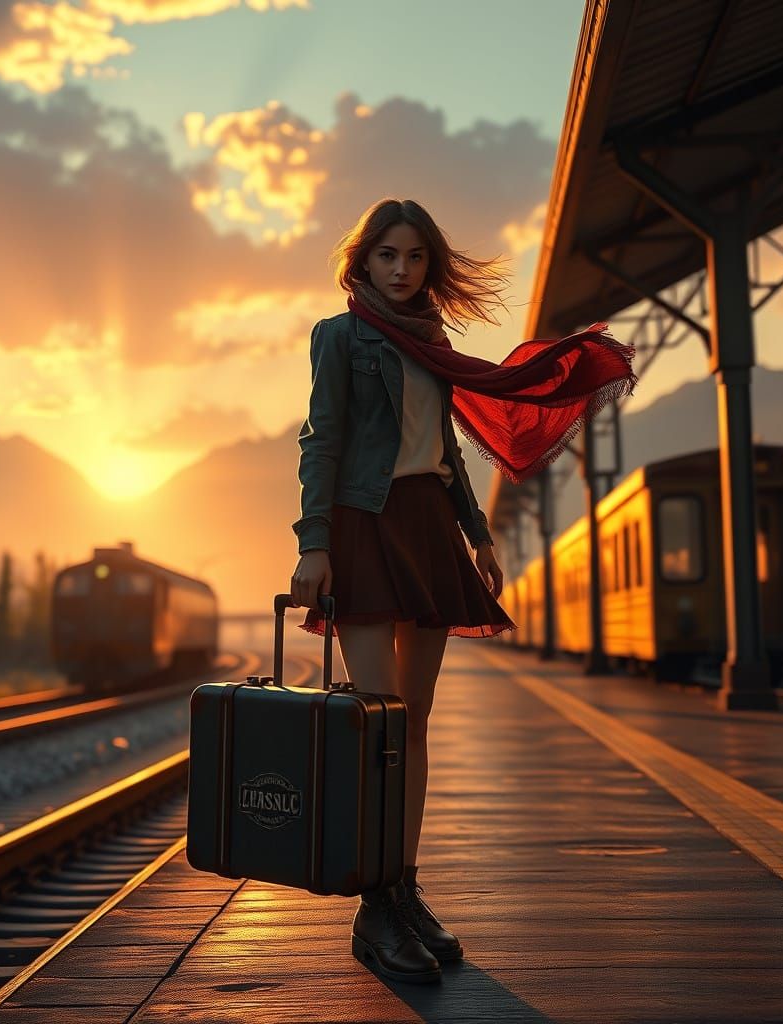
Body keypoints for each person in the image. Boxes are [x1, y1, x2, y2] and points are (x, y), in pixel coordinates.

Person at [289, 198, 637, 984]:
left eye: (414, 258)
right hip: (364, 523)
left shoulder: (431, 345)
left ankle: (402, 892)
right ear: (362, 262)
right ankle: (374, 909)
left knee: (413, 727)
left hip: (426, 527)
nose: (402, 270)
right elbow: (324, 440)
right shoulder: (340, 338)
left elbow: (443, 448)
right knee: (378, 730)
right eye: (388, 257)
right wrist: (314, 543)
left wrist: (477, 535)